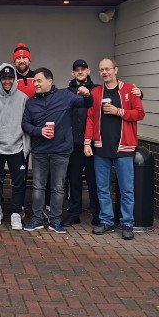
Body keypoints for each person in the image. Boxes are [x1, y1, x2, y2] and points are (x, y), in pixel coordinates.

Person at [21, 68, 92, 233]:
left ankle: (55, 221)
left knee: (58, 187)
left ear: (49, 81)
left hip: (61, 150)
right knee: (38, 186)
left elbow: (85, 104)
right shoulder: (31, 102)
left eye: (38, 81)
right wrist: (39, 131)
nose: (35, 84)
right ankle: (37, 219)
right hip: (39, 151)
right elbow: (25, 124)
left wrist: (87, 95)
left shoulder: (65, 96)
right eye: (34, 81)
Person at [84, 57, 145, 240]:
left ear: (115, 70)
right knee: (102, 188)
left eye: (108, 69)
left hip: (124, 147)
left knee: (126, 189)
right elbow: (91, 118)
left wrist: (119, 111)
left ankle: (127, 223)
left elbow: (140, 114)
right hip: (101, 146)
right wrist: (87, 141)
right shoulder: (96, 92)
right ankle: (107, 221)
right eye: (101, 69)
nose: (105, 72)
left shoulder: (129, 90)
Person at [0, 64, 29, 230]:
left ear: (14, 78)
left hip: (17, 147)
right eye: (4, 78)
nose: (7, 81)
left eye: (10, 78)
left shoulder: (23, 98)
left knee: (18, 182)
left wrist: (25, 148)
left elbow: (26, 124)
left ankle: (16, 213)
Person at [64, 59, 99, 226]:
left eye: (83, 69)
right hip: (74, 143)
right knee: (74, 180)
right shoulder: (67, 92)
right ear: (72, 73)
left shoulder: (97, 90)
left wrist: (139, 93)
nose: (80, 72)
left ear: (88, 71)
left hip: (92, 143)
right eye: (76, 69)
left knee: (94, 180)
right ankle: (74, 213)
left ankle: (97, 214)